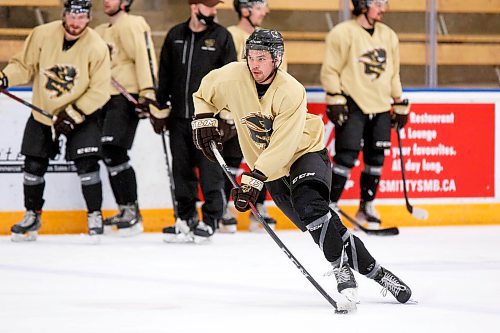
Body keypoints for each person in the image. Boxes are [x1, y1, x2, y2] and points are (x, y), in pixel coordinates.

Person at [191, 29, 412, 305]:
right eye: (250, 57)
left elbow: (284, 145)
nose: (255, 64)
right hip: (270, 169)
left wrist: (255, 178)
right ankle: (380, 274)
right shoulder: (233, 76)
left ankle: (340, 269)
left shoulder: (291, 90)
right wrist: (203, 121)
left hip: (304, 152)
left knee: (312, 209)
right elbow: (203, 94)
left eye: (262, 58)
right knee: (323, 228)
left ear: (277, 59)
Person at [0, 0, 111, 241]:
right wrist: (5, 77)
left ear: (89, 18)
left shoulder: (97, 46)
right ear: (64, 14)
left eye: (81, 18)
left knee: (88, 165)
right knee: (33, 166)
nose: (75, 23)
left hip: (80, 115)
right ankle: (32, 215)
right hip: (44, 113)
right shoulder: (42, 34)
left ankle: (94, 215)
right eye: (72, 16)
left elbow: (101, 90)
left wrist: (74, 113)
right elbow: (23, 66)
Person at [320, 0, 409, 229]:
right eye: (378, 3)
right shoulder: (342, 33)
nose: (383, 8)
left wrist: (399, 102)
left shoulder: (389, 36)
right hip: (353, 103)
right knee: (346, 157)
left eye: (384, 3)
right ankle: (331, 204)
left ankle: (366, 205)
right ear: (362, 4)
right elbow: (330, 70)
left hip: (380, 105)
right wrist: (335, 98)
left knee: (376, 158)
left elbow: (393, 73)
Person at [156, 0, 237, 242]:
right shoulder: (175, 35)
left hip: (208, 120)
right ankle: (185, 217)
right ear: (194, 7)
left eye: (215, 8)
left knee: (210, 172)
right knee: (181, 171)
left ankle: (211, 219)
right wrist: (160, 107)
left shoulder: (222, 36)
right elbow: (165, 73)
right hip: (179, 118)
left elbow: (230, 79)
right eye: (209, 7)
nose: (213, 12)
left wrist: (226, 116)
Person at [95, 0, 169, 236]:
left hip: (126, 97)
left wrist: (148, 92)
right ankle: (125, 209)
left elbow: (144, 56)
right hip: (103, 97)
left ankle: (132, 212)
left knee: (114, 150)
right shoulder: (99, 31)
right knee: (108, 152)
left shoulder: (133, 24)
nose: (107, 1)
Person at [218, 0, 278, 233]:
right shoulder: (229, 35)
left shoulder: (270, 38)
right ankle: (225, 207)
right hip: (235, 109)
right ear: (245, 9)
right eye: (260, 6)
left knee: (260, 161)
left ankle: (259, 206)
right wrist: (224, 110)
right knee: (230, 160)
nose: (266, 11)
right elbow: (225, 74)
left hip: (260, 110)